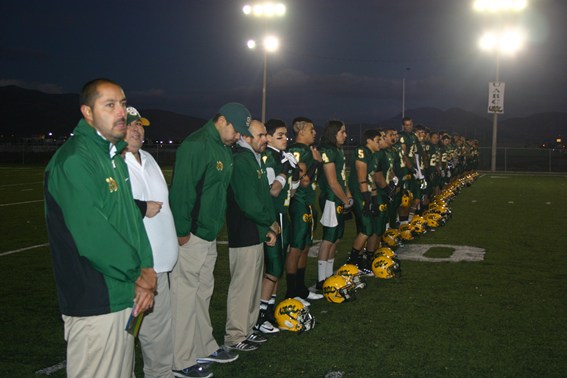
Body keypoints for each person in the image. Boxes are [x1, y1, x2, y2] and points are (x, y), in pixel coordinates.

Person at [44, 78, 156, 378]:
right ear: (87, 112)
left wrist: (147, 268)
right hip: (96, 298)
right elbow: (93, 237)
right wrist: (138, 275)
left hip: (124, 293)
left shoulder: (113, 157)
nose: (120, 112)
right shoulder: (75, 160)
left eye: (122, 103)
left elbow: (132, 222)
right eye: (110, 105)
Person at [169, 103, 249, 378]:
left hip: (209, 234)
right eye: (236, 130)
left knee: (202, 293)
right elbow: (182, 190)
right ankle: (180, 360)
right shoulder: (197, 144)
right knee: (183, 297)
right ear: (222, 120)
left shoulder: (223, 148)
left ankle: (204, 345)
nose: (238, 136)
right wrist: (182, 231)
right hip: (191, 235)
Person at [124, 107, 178, 378]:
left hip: (160, 264)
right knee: (126, 335)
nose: (137, 129)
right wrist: (141, 207)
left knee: (158, 331)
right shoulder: (112, 162)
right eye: (130, 124)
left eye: (140, 125)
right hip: (134, 266)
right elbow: (110, 208)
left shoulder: (148, 158)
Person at [225, 120, 279, 351]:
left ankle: (247, 329)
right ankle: (235, 336)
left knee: (253, 285)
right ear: (246, 137)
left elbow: (263, 198)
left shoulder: (251, 159)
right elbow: (249, 203)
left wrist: (269, 223)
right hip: (244, 230)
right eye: (261, 135)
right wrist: (269, 222)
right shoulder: (241, 160)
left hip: (255, 230)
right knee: (242, 287)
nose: (265, 138)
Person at [254, 119, 299, 334]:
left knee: (278, 267)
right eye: (279, 135)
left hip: (284, 213)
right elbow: (273, 190)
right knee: (273, 268)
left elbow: (290, 192)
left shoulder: (280, 157)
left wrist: (295, 174)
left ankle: (269, 309)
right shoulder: (269, 157)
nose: (285, 139)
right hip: (274, 216)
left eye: (285, 135)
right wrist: (284, 169)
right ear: (269, 137)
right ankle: (261, 315)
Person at [286, 117, 324, 303]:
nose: (314, 132)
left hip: (308, 202)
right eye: (311, 129)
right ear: (301, 131)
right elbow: (303, 180)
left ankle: (300, 289)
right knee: (296, 248)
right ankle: (291, 292)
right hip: (299, 202)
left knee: (304, 246)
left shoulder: (305, 150)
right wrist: (316, 163)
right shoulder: (297, 150)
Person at [314, 120, 352, 289]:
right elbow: (332, 182)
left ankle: (329, 275)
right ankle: (322, 279)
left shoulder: (338, 149)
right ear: (333, 133)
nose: (345, 135)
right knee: (328, 238)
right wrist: (345, 200)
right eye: (342, 132)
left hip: (339, 197)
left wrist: (348, 195)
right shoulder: (327, 150)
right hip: (331, 198)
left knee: (336, 238)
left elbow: (342, 178)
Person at [347, 129, 381, 271]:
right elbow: (362, 178)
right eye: (377, 140)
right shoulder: (362, 151)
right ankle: (352, 262)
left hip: (365, 193)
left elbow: (370, 179)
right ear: (369, 141)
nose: (379, 143)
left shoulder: (373, 155)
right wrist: (367, 200)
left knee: (365, 228)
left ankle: (359, 261)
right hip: (358, 193)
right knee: (367, 228)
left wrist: (373, 198)